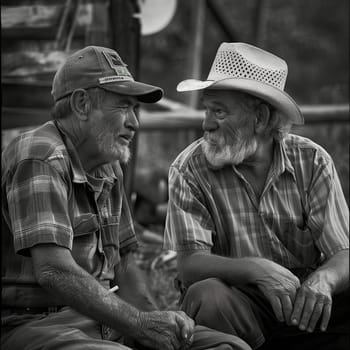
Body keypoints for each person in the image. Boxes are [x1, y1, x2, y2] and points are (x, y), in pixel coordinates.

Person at [1, 46, 252, 350]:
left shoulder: (109, 165)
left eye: (135, 109)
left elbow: (125, 261)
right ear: (82, 104)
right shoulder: (40, 156)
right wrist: (140, 325)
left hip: (106, 322)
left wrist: (155, 320)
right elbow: (53, 271)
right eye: (123, 107)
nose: (134, 122)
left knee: (227, 347)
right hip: (38, 323)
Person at [164, 42, 349, 350]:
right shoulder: (188, 169)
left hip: (304, 306)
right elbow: (189, 264)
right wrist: (256, 269)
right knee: (206, 296)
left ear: (261, 119)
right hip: (241, 306)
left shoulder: (312, 161)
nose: (206, 123)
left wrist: (324, 280)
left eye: (219, 111)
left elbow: (344, 252)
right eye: (207, 109)